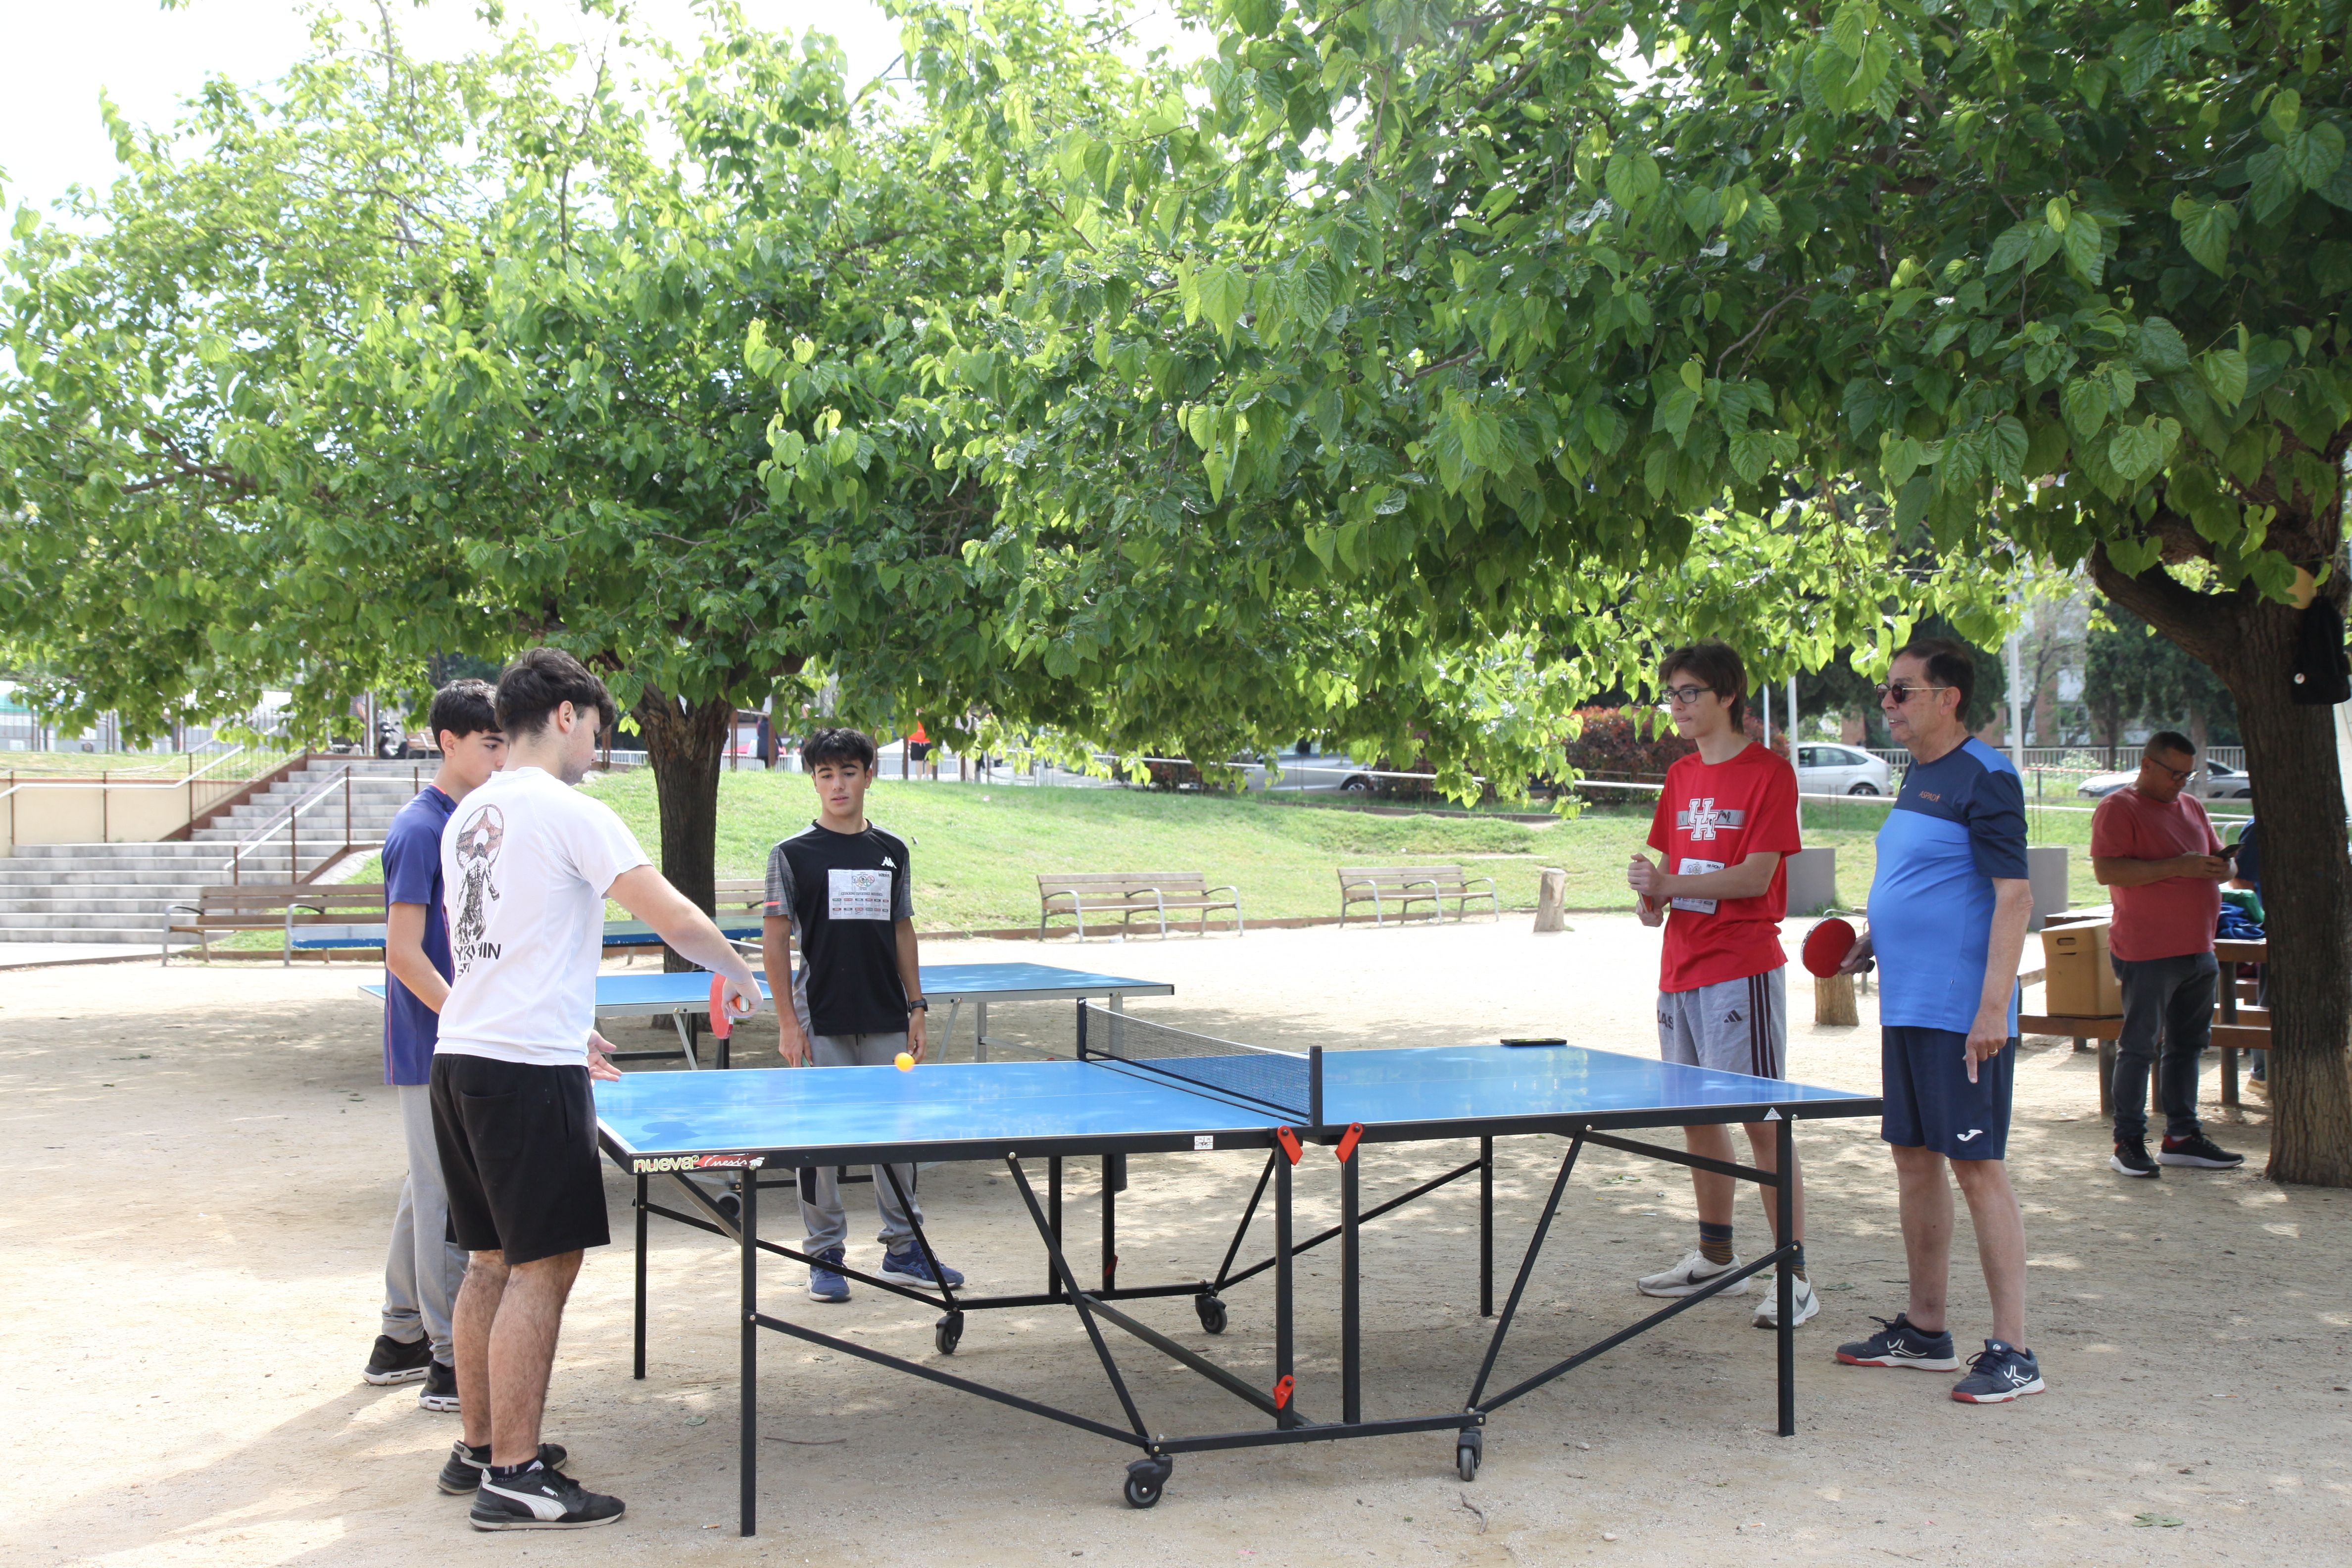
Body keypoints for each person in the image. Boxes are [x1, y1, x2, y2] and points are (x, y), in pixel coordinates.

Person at [429, 648, 761, 1529]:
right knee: (544, 1265)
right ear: (569, 713)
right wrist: (735, 966)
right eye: (601, 728)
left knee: (491, 1261)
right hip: (521, 1074)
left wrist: (565, 1025)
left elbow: (491, 943)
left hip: (462, 1055)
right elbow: (671, 912)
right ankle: (516, 1473)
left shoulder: (471, 814)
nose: (600, 748)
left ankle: (478, 1445)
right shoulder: (571, 809)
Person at [1832, 637, 2043, 1403]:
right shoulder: (1922, 774)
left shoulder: (1988, 775)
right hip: (1910, 1004)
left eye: (1902, 691)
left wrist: (1994, 1007)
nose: (1887, 703)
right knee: (1914, 1160)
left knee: (1977, 1166)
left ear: (1948, 696)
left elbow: (2013, 898)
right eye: (1886, 691)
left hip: (1963, 1012)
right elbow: (1924, 878)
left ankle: (2015, 1350)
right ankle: (1926, 1331)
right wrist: (1875, 936)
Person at [1623, 641, 1812, 1328]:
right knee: (1697, 1117)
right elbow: (1669, 877)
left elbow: (1757, 878)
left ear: (1728, 696)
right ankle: (1716, 1258)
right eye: (1670, 694)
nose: (1676, 705)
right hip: (1681, 966)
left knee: (1761, 1119)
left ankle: (1794, 1276)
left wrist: (1672, 884)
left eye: (1689, 693)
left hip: (1742, 968)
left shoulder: (1770, 774)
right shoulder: (1679, 777)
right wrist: (1652, 897)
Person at [762, 726, 961, 1303]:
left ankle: (905, 1248)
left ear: (869, 775)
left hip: (886, 1017)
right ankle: (825, 1254)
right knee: (819, 1141)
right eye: (826, 774)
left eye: (848, 772)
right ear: (814, 781)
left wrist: (917, 1006)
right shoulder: (791, 855)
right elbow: (775, 944)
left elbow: (902, 929)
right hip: (817, 1017)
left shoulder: (892, 851)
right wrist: (786, 1022)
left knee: (898, 1136)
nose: (837, 784)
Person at [362, 680, 505, 1412]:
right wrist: (467, 1019)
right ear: (447, 743)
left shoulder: (474, 821)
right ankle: (449, 1357)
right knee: (444, 1196)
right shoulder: (422, 830)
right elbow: (403, 954)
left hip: (453, 1036)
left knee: (426, 1188)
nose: (502, 756)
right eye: (490, 743)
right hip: (433, 1041)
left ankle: (400, 1334)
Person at [2090, 733, 2245, 1174]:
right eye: (2175, 773)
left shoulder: (2192, 806)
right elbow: (2108, 870)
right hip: (2148, 950)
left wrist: (2224, 866)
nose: (2181, 783)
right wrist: (2179, 865)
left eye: (2187, 774)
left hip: (2199, 946)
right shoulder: (2119, 808)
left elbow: (2223, 866)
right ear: (2148, 765)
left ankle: (2182, 1136)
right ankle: (2128, 1141)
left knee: (2189, 1046)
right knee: (2139, 1047)